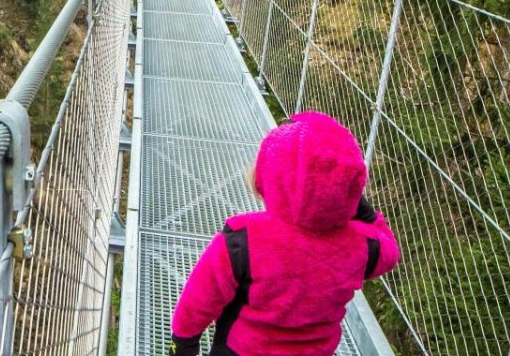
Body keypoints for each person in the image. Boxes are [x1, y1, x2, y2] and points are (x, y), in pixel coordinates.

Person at [170, 112, 401, 355]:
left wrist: (183, 346)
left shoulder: (241, 241)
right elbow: (390, 252)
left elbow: (198, 300)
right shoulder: (362, 247)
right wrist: (359, 207)